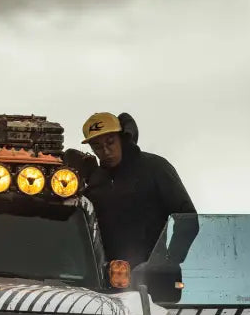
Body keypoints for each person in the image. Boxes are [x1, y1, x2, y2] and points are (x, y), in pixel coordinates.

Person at [67, 111, 198, 269]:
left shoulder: (155, 167)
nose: (106, 151)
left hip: (153, 278)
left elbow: (187, 218)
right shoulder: (93, 181)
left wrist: (169, 262)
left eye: (110, 142)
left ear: (122, 137)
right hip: (108, 279)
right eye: (97, 146)